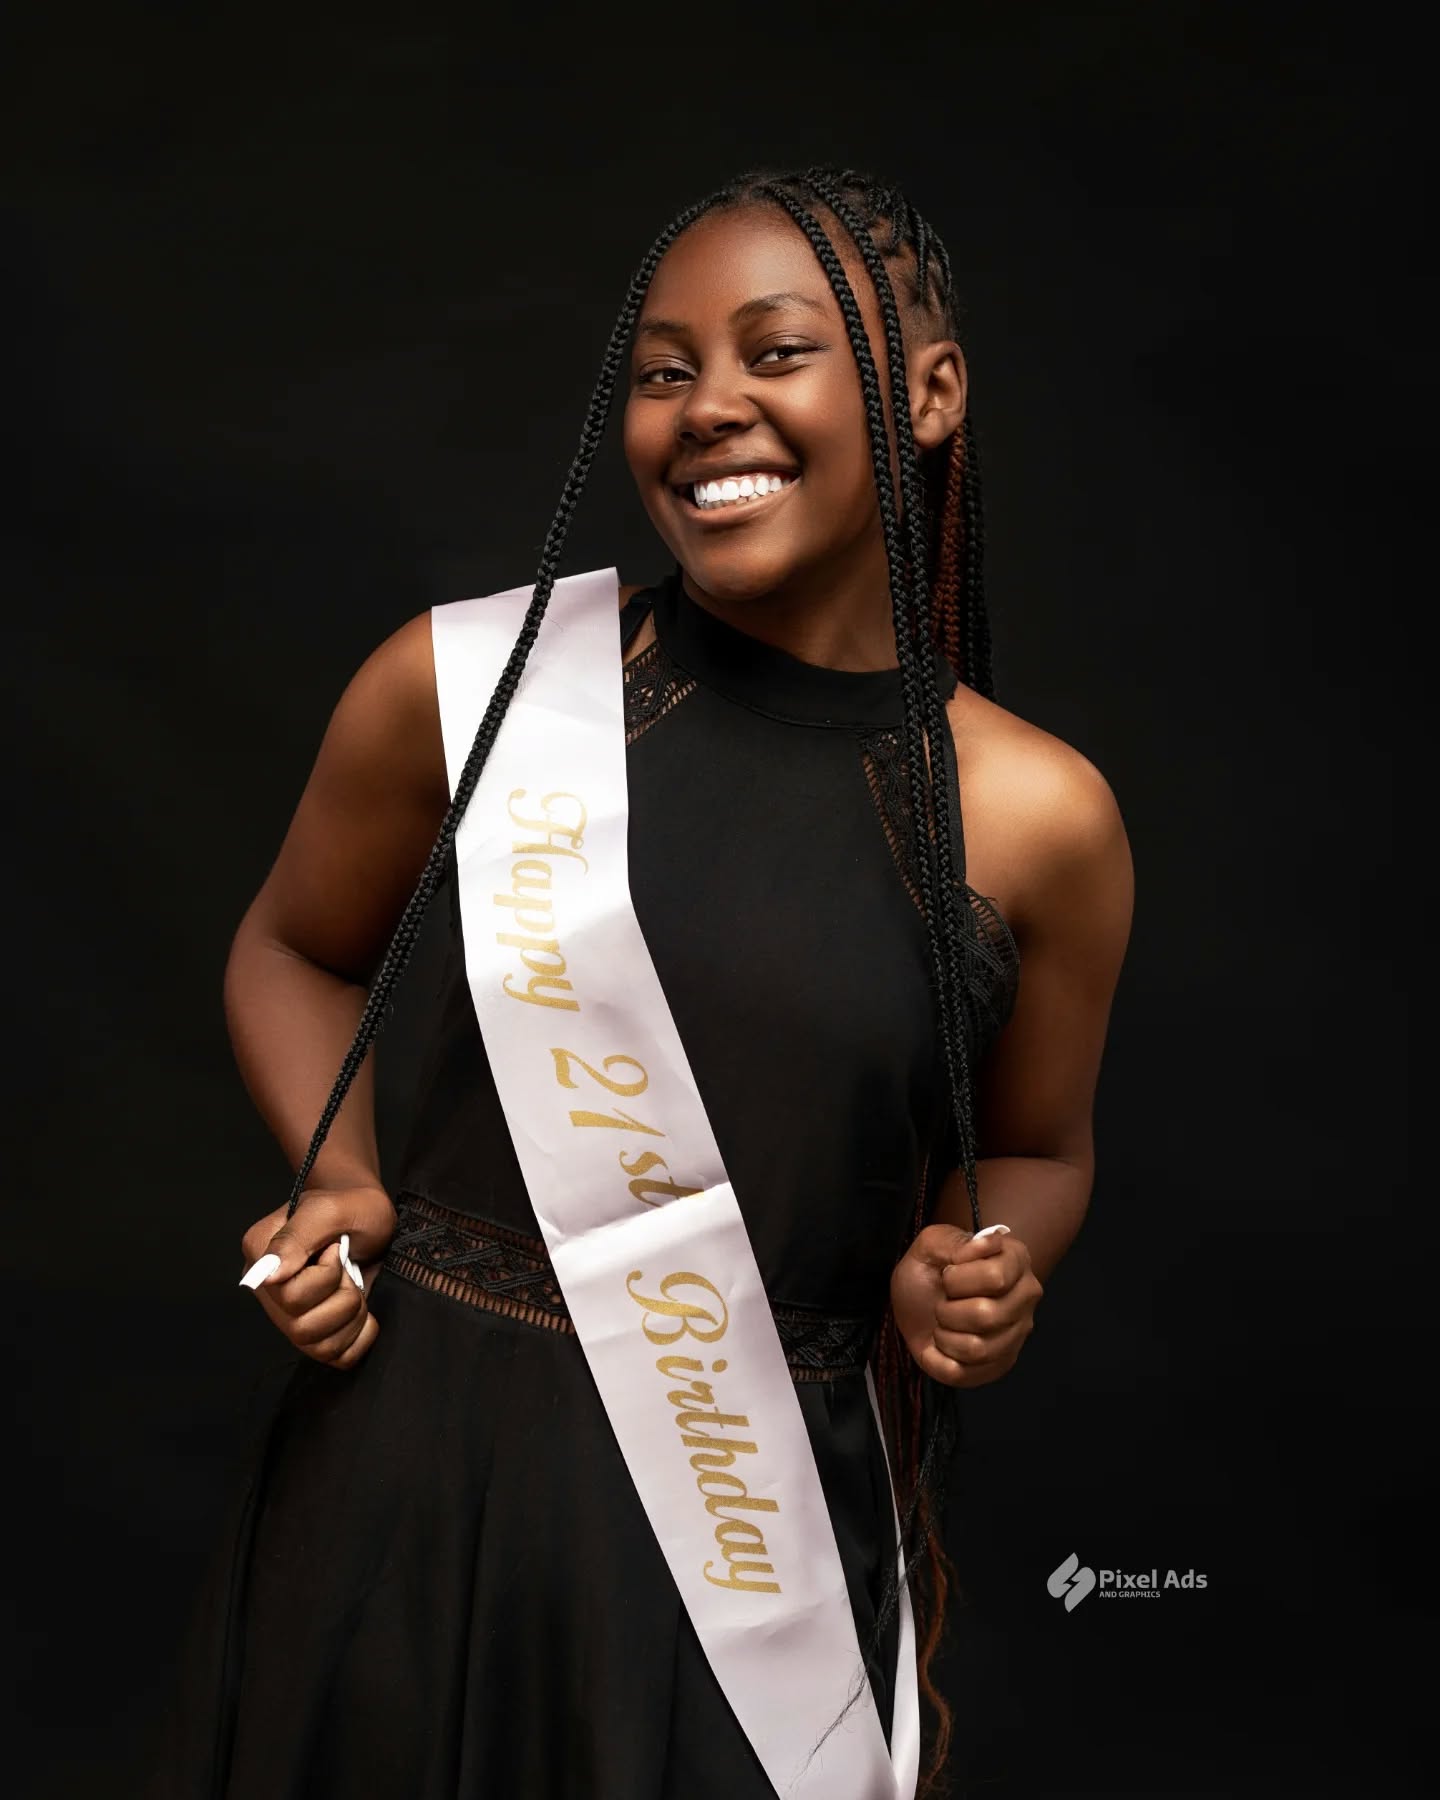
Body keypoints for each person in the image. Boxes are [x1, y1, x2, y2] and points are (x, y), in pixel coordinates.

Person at [150, 165, 1132, 1800]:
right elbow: (294, 948)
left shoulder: (1037, 818)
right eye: (664, 371)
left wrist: (978, 1265)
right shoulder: (476, 683)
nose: (707, 407)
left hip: (746, 1542)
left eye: (777, 351)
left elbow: (1037, 1147)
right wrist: (339, 1174)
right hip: (407, 1487)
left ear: (932, 394)